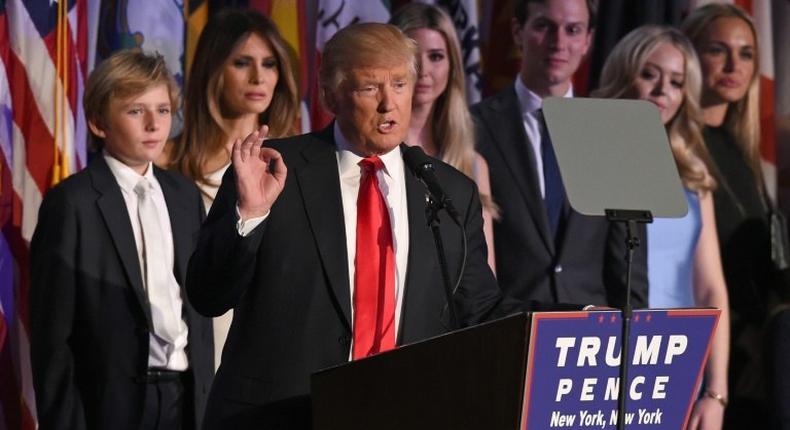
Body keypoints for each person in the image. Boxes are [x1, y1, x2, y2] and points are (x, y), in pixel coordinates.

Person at [187, 22, 572, 429]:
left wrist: (576, 320)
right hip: (279, 417)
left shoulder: (447, 191)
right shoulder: (272, 172)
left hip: (400, 412)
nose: (389, 104)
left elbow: (482, 311)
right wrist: (249, 215)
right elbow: (208, 295)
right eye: (370, 88)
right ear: (330, 94)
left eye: (401, 84)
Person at [29, 50, 213, 430]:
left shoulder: (183, 195)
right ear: (98, 122)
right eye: (135, 111)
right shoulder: (73, 203)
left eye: (163, 110)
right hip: (111, 405)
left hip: (183, 395)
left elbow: (194, 305)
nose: (153, 124)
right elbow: (53, 337)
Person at [593, 25, 730, 430]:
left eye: (675, 82)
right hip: (605, 360)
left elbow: (711, 288)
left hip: (680, 362)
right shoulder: (594, 160)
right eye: (650, 75)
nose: (661, 91)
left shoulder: (694, 173)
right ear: (624, 73)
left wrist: (716, 391)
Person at [471, 0, 648, 307]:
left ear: (588, 40)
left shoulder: (612, 134)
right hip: (508, 333)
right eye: (544, 27)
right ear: (517, 31)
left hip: (592, 338)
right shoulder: (474, 127)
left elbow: (628, 264)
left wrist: (630, 339)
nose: (559, 43)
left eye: (573, 30)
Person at [166, 8, 300, 368]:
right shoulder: (168, 162)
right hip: (181, 353)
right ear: (213, 70)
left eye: (270, 64)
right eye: (242, 62)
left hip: (266, 356)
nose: (259, 77)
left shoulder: (294, 167)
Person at [683, 4, 786, 427]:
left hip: (758, 356)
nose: (733, 65)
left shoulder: (743, 154)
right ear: (689, 55)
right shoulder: (677, 152)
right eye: (717, 51)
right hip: (704, 358)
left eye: (746, 54)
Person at [390, 3, 498, 272]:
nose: (424, 70)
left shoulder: (473, 164)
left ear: (453, 66)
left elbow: (484, 272)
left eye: (436, 56)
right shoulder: (370, 152)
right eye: (413, 54)